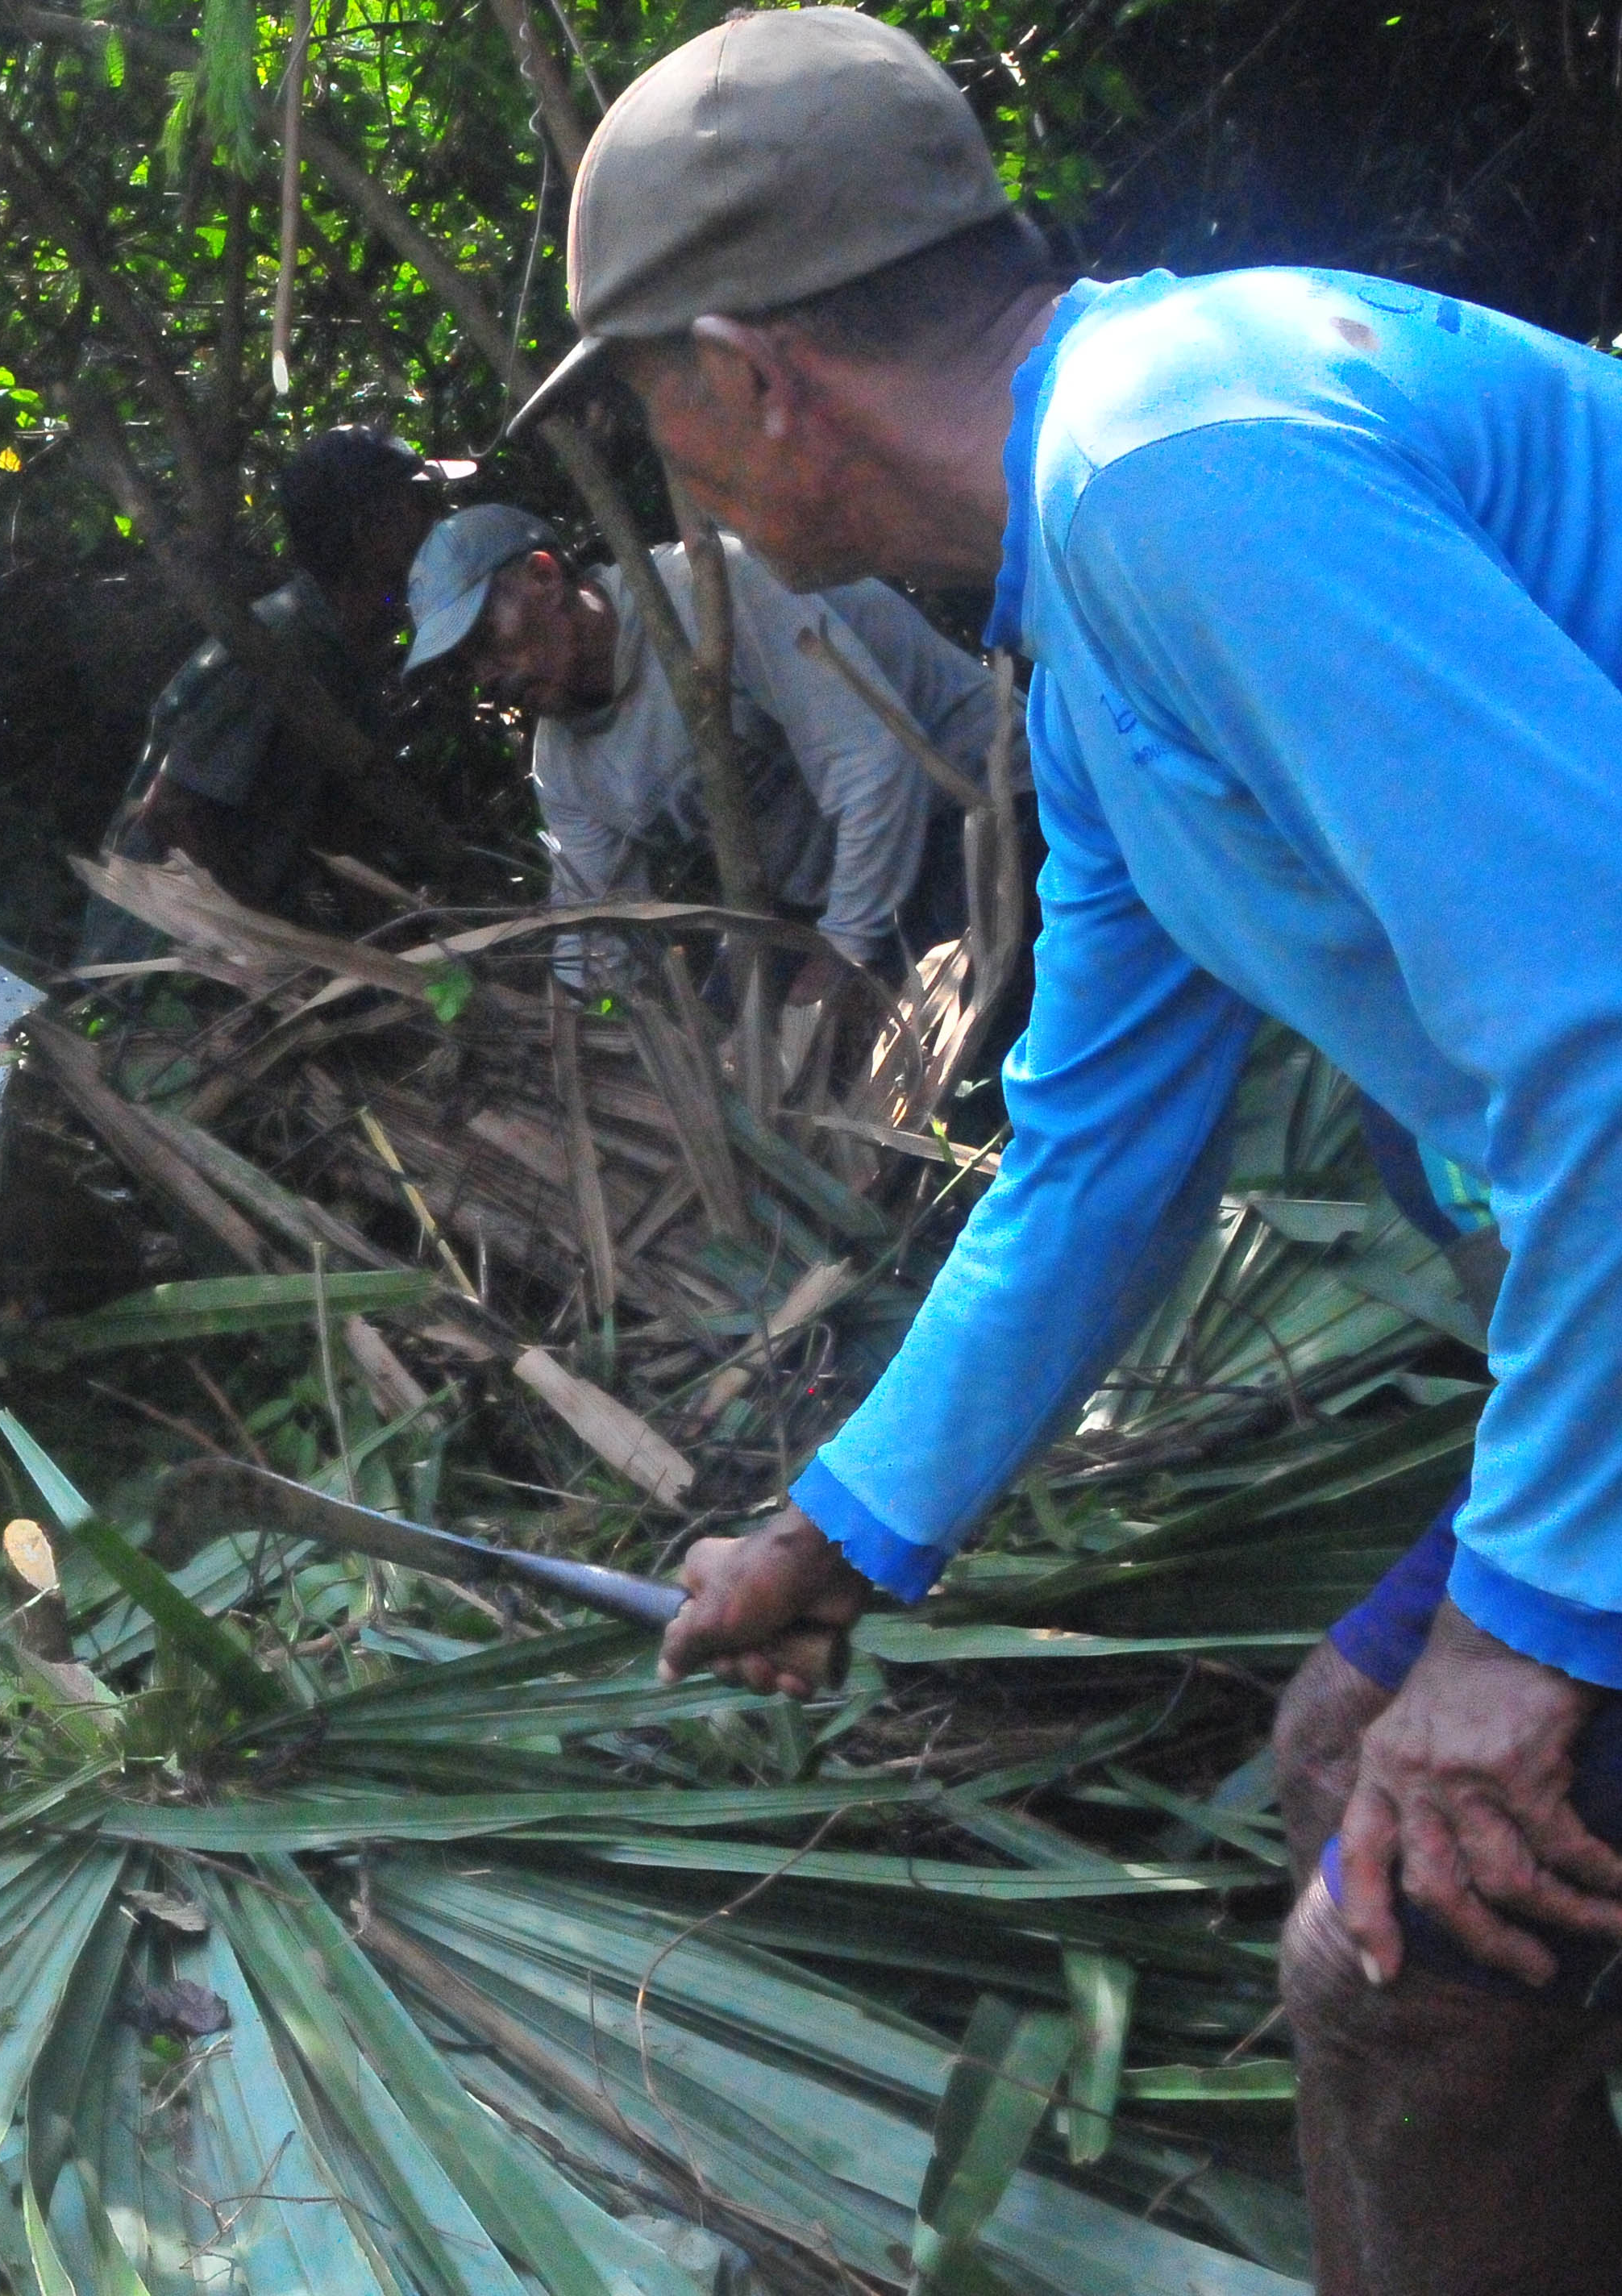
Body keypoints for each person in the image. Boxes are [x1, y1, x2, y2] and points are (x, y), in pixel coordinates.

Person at [511, 10, 1622, 2287]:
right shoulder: (1099, 608)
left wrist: (1531, 1635)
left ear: (752, 376)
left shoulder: (1185, 468)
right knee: (1345, 1760)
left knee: (1400, 1956)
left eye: (645, 405)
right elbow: (1095, 1151)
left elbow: (1610, 1031)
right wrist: (840, 1535)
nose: (668, 470)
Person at [405, 502, 996, 992]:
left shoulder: (712, 588)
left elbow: (874, 765)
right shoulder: (564, 768)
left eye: (486, 637)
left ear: (544, 576)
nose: (485, 674)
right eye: (467, 663)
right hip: (837, 896)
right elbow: (596, 936)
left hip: (977, 808)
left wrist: (842, 957)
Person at [80, 428, 442, 953]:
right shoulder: (279, 649)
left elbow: (336, 833)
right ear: (372, 531)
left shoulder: (342, 648)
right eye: (422, 505)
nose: (438, 523)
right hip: (158, 972)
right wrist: (270, 944)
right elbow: (174, 813)